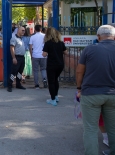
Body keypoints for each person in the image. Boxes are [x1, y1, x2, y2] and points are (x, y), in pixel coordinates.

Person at [76, 25, 115, 155]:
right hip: (113, 95)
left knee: (90, 129)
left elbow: (79, 71)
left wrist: (79, 88)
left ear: (98, 37)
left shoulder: (89, 49)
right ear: (114, 37)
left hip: (91, 94)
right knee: (113, 128)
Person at [42, 28, 67, 106]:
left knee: (51, 82)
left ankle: (52, 99)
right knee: (56, 80)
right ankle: (56, 96)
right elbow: (66, 52)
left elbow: (44, 54)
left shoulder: (48, 43)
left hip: (51, 65)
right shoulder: (61, 43)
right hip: (60, 64)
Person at [7, 26, 26, 92]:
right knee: (13, 73)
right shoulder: (14, 38)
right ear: (18, 31)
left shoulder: (21, 38)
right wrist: (14, 58)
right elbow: (11, 48)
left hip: (22, 57)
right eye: (22, 30)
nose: (24, 31)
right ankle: (9, 85)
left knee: (20, 72)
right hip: (17, 57)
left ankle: (18, 84)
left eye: (24, 30)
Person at [29, 25, 47, 89]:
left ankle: (37, 84)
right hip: (43, 55)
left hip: (35, 55)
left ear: (35, 29)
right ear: (41, 29)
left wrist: (31, 55)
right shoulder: (45, 36)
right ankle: (44, 79)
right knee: (43, 69)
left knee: (35, 70)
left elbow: (30, 47)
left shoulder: (32, 37)